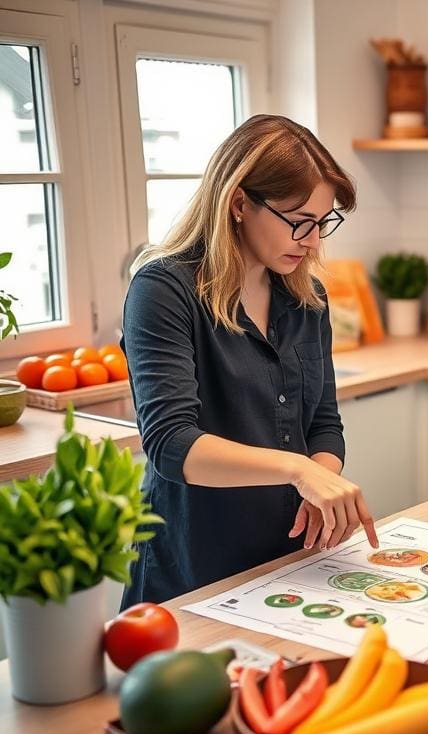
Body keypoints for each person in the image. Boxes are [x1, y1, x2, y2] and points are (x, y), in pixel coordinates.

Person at [119, 114, 378, 609]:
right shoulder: (163, 291)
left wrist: (321, 482)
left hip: (291, 560)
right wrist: (300, 470)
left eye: (323, 223)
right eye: (299, 222)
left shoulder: (308, 299)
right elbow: (172, 445)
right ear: (239, 203)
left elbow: (323, 421)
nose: (314, 241)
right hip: (196, 567)